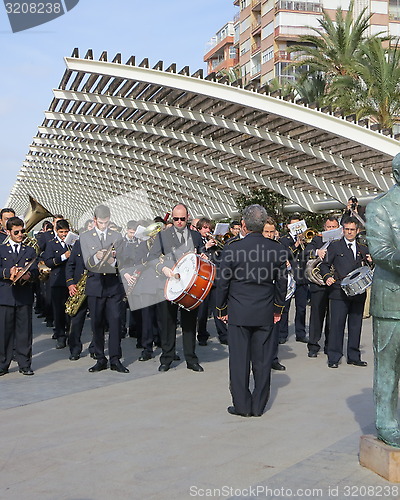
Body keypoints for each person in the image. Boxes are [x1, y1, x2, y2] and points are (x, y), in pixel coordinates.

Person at [216, 205, 288, 417]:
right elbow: (282, 282)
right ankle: (258, 406)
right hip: (265, 311)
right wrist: (278, 309)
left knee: (239, 362)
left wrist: (221, 309)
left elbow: (223, 282)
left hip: (238, 312)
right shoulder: (276, 249)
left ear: (244, 225)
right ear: (264, 223)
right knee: (263, 361)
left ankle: (242, 405)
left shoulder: (232, 248)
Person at [366, 152, 400, 447]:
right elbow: (382, 253)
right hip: (392, 302)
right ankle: (386, 423)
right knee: (388, 368)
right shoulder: (380, 208)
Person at [147, 203, 205, 372]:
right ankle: (167, 358)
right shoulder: (162, 235)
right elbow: (151, 258)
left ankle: (191, 358)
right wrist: (163, 269)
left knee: (189, 323)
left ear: (188, 218)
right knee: (167, 322)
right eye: (176, 218)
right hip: (168, 283)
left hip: (189, 285)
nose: (179, 222)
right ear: (172, 218)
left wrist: (202, 257)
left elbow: (200, 254)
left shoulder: (195, 236)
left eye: (182, 218)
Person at [80, 205, 128, 373]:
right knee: (97, 323)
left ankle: (115, 359)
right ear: (95, 220)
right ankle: (100, 357)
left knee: (115, 322)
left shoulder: (116, 235)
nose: (104, 225)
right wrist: (97, 256)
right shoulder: (85, 237)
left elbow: (123, 260)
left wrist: (113, 259)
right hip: (95, 286)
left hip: (113, 286)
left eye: (106, 222)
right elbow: (87, 262)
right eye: (101, 222)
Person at [319, 217, 372, 368]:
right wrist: (327, 277)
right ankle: (334, 357)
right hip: (339, 293)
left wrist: (370, 259)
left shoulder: (363, 248)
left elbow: (367, 267)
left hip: (358, 293)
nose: (349, 232)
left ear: (357, 231)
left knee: (355, 325)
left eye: (352, 230)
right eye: (347, 229)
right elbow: (324, 265)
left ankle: (354, 356)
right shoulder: (335, 247)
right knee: (337, 325)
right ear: (343, 230)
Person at [0, 216, 39, 376]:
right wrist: (7, 273)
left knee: (24, 332)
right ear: (8, 232)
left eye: (22, 231)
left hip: (24, 296)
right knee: (4, 332)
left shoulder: (30, 250)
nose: (21, 234)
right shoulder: (1, 250)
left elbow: (36, 270)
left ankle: (25, 364)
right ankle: (3, 364)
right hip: (6, 295)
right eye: (16, 232)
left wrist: (28, 275)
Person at [305, 216, 340, 358]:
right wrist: (316, 252)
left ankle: (329, 346)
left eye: (334, 227)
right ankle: (313, 345)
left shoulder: (341, 241)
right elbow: (305, 252)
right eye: (328, 227)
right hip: (318, 283)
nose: (331, 230)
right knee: (316, 316)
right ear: (324, 228)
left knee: (333, 317)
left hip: (335, 283)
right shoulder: (317, 240)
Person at [278, 215, 309, 344]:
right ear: (288, 226)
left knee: (301, 307)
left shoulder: (307, 238)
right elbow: (284, 254)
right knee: (285, 307)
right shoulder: (284, 240)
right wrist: (296, 244)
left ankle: (300, 333)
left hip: (301, 275)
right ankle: (282, 334)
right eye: (293, 225)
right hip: (289, 276)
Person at [42, 219, 72, 349]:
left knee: (71, 311)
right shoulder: (52, 244)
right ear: (56, 231)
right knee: (59, 311)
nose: (64, 234)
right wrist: (63, 257)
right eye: (61, 232)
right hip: (57, 281)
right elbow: (48, 262)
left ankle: (71, 334)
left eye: (66, 231)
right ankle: (60, 335)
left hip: (71, 281)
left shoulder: (73, 243)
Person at [263, 217, 286, 371]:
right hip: (258, 295)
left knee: (274, 328)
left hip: (273, 293)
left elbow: (282, 279)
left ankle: (273, 358)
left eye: (272, 232)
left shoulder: (278, 247)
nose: (270, 235)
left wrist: (279, 304)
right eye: (266, 231)